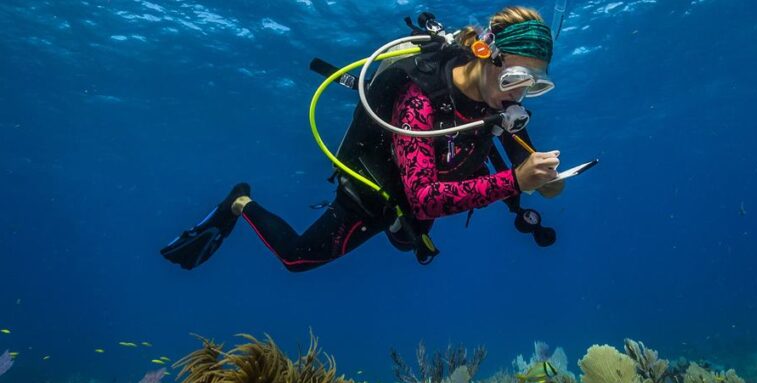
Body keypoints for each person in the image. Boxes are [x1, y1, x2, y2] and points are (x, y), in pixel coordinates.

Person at [161, 6, 564, 272]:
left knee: (408, 242)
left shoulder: (503, 106)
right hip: (374, 190)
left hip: (418, 200)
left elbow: (532, 174)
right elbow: (426, 196)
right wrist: (516, 182)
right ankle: (239, 201)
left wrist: (548, 180)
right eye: (514, 79)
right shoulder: (422, 97)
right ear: (483, 53)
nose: (520, 94)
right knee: (296, 259)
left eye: (535, 86)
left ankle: (399, 228)